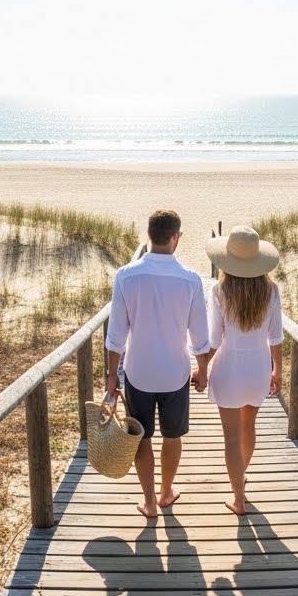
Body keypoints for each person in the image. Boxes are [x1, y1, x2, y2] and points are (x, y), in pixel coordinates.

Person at [105, 210, 211, 518]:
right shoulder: (191, 280)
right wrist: (202, 371)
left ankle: (149, 501)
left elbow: (116, 336)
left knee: (142, 436)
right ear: (175, 237)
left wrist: (113, 375)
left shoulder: (126, 275)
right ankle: (166, 492)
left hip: (138, 371)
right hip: (176, 372)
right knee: (172, 435)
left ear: (149, 235)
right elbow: (200, 336)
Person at [204, 225, 283, 515]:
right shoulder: (271, 291)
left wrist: (202, 366)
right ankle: (241, 478)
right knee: (249, 426)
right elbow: (275, 336)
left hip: (229, 368)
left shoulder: (220, 291)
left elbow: (214, 339)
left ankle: (238, 496)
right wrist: (278, 371)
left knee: (231, 435)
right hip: (259, 367)